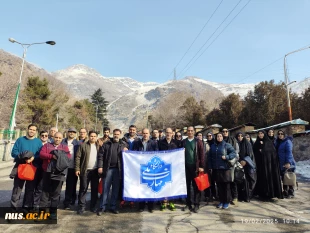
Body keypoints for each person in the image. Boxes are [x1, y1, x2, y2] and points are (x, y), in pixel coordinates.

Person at [10, 124, 42, 210]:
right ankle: (13, 209)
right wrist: (23, 157)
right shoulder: (20, 140)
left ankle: (26, 208)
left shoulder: (38, 142)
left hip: (32, 168)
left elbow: (40, 154)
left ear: (36, 132)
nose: (32, 131)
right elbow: (14, 152)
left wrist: (33, 158)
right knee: (17, 189)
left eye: (34, 130)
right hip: (20, 167)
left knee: (30, 190)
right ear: (27, 130)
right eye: (30, 129)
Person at [39, 132, 71, 220]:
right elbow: (42, 154)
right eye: (56, 137)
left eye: (59, 138)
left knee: (56, 193)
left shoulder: (64, 147)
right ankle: (42, 212)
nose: (57, 139)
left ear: (62, 139)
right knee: (45, 192)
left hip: (59, 173)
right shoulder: (47, 146)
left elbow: (68, 156)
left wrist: (59, 156)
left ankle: (53, 212)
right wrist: (52, 156)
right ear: (53, 137)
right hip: (47, 172)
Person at [97, 129, 128, 215]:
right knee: (105, 189)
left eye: (118, 134)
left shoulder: (123, 145)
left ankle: (113, 207)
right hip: (108, 169)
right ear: (112, 134)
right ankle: (102, 207)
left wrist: (127, 150)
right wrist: (100, 166)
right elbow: (100, 156)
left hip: (118, 170)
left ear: (120, 135)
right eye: (115, 134)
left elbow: (128, 156)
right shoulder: (106, 144)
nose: (116, 135)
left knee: (115, 189)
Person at [208, 132, 236, 210]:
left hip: (225, 169)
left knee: (226, 187)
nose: (219, 137)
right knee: (219, 186)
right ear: (216, 137)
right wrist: (210, 167)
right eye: (218, 136)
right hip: (216, 169)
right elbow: (209, 157)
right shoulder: (213, 146)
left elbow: (234, 153)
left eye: (220, 136)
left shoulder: (226, 145)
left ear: (222, 137)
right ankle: (221, 201)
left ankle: (226, 202)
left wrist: (227, 157)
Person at [133, 128, 158, 213]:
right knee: (142, 188)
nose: (145, 135)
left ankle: (151, 207)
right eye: (143, 133)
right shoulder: (137, 143)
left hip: (150, 169)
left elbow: (157, 154)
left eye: (146, 133)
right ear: (141, 134)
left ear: (149, 134)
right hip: (140, 169)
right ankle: (141, 206)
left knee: (150, 188)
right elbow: (134, 154)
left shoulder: (154, 143)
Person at [253, 130, 283, 200]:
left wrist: (263, 150)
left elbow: (271, 153)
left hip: (268, 165)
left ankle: (269, 194)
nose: (260, 135)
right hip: (259, 165)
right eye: (259, 134)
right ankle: (261, 194)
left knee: (268, 178)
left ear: (264, 134)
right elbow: (254, 152)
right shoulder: (256, 143)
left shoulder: (268, 142)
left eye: (261, 133)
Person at [75, 131, 100, 214]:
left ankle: (93, 206)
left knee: (94, 189)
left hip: (95, 171)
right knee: (83, 188)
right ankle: (81, 207)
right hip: (85, 171)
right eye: (91, 136)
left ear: (96, 137)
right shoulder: (83, 145)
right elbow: (78, 157)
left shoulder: (99, 146)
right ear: (88, 136)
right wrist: (77, 169)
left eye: (94, 136)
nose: (93, 137)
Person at [181, 126, 204, 213]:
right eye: (188, 131)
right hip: (186, 167)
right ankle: (188, 204)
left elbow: (202, 155)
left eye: (191, 131)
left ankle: (196, 204)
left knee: (196, 186)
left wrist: (201, 166)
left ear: (194, 132)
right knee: (187, 186)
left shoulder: (198, 142)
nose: (190, 132)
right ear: (186, 132)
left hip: (196, 167)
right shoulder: (184, 142)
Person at [158, 127, 182, 211]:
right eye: (167, 132)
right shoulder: (160, 143)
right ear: (165, 133)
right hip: (163, 167)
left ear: (172, 134)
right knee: (164, 185)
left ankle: (171, 202)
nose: (168, 134)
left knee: (172, 185)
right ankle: (164, 202)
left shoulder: (177, 143)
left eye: (170, 132)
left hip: (174, 167)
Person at [235, 132, 257, 202]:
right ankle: (240, 196)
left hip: (247, 165)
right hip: (239, 164)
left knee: (247, 181)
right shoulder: (236, 144)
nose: (240, 137)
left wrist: (245, 161)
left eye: (241, 136)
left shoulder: (247, 144)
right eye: (238, 136)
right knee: (240, 181)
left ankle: (247, 196)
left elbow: (250, 154)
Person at [62, 127, 80, 209]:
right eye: (70, 132)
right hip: (63, 167)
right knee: (63, 185)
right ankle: (65, 202)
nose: (71, 133)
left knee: (72, 185)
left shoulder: (78, 144)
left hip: (73, 167)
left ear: (75, 134)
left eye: (73, 132)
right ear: (67, 133)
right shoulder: (63, 142)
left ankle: (70, 201)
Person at [274, 130, 296, 198]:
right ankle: (285, 191)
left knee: (289, 176)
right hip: (281, 162)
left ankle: (291, 192)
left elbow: (289, 152)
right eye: (279, 134)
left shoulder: (287, 141)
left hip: (287, 162)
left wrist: (288, 162)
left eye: (282, 134)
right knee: (284, 177)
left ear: (284, 135)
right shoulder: (277, 142)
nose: (280, 135)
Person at [222, 128, 239, 205]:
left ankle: (235, 197)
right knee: (225, 181)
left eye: (226, 131)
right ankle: (227, 197)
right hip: (223, 164)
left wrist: (230, 158)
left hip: (231, 163)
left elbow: (236, 151)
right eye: (223, 131)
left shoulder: (233, 140)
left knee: (232, 180)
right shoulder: (220, 141)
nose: (225, 133)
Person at [33, 130, 49, 211]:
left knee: (40, 186)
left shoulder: (49, 145)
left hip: (44, 168)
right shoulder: (36, 143)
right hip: (35, 166)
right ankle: (34, 203)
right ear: (40, 136)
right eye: (42, 135)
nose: (44, 137)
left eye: (46, 135)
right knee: (34, 186)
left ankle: (38, 204)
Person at [204, 132, 217, 202]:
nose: (209, 137)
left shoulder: (215, 144)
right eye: (208, 136)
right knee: (206, 180)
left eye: (210, 136)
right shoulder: (205, 143)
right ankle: (207, 195)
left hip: (213, 164)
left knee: (212, 180)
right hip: (206, 164)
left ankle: (214, 194)